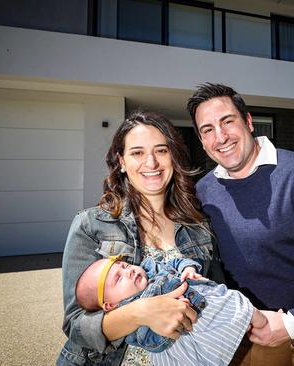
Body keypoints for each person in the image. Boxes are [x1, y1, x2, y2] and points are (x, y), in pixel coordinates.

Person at [186, 83, 294, 365]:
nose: (220, 137)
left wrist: (293, 323)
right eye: (207, 129)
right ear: (201, 139)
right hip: (243, 343)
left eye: (227, 121)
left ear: (248, 121)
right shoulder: (204, 191)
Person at [58, 110, 215, 366]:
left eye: (161, 151)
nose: (151, 163)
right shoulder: (91, 225)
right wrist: (140, 312)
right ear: (121, 161)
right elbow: (76, 325)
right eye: (137, 152)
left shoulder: (198, 225)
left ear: (173, 156)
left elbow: (213, 296)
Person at [75, 256, 267, 365]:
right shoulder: (130, 324)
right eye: (118, 279)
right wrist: (143, 311)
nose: (129, 271)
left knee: (234, 306)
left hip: (205, 303)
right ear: (109, 305)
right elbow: (153, 343)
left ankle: (255, 317)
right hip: (182, 339)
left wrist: (188, 268)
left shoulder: (149, 268)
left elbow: (175, 263)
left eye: (125, 265)